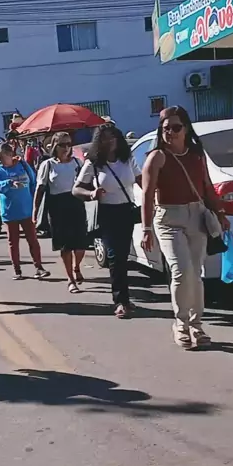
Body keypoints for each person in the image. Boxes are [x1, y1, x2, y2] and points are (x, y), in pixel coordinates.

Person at [141, 105, 229, 349]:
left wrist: (220, 213)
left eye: (176, 127)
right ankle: (181, 324)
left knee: (196, 273)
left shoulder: (196, 155)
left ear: (186, 129)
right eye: (165, 128)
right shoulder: (157, 157)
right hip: (169, 218)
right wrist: (146, 229)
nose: (170, 132)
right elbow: (147, 194)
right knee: (181, 270)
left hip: (196, 215)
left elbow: (207, 186)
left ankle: (197, 325)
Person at [74, 123, 141, 319]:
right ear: (99, 142)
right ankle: (120, 301)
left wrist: (155, 194)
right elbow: (76, 189)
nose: (110, 142)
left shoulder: (127, 159)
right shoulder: (93, 163)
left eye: (113, 137)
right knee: (114, 256)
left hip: (127, 211)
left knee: (123, 256)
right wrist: (91, 193)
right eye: (105, 139)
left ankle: (124, 298)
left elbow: (141, 179)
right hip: (107, 212)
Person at [33, 131, 86, 294]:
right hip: (58, 207)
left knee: (81, 244)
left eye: (69, 144)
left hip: (76, 203)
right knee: (65, 245)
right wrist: (35, 210)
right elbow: (40, 188)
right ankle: (70, 279)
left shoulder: (77, 163)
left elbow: (87, 181)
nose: (66, 148)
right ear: (55, 146)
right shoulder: (48, 165)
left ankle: (76, 266)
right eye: (62, 145)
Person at [0, 142, 50, 280]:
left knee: (33, 240)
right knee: (13, 242)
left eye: (1, 156)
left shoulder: (22, 165)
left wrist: (35, 202)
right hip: (10, 212)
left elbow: (33, 182)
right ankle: (17, 270)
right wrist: (9, 183)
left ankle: (39, 267)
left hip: (27, 210)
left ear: (10, 155)